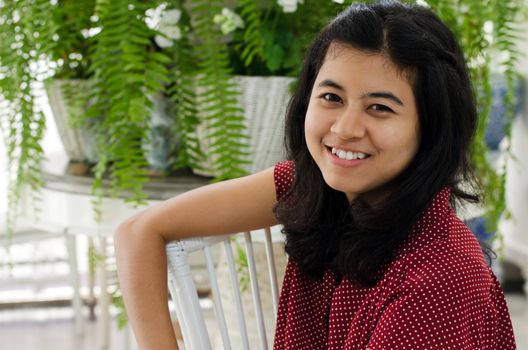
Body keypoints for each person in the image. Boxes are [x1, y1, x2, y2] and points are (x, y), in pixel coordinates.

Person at [114, 1, 517, 349]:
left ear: (432, 127)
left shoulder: (436, 285)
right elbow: (139, 232)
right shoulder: (315, 186)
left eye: (379, 107)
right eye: (331, 98)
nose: (344, 128)